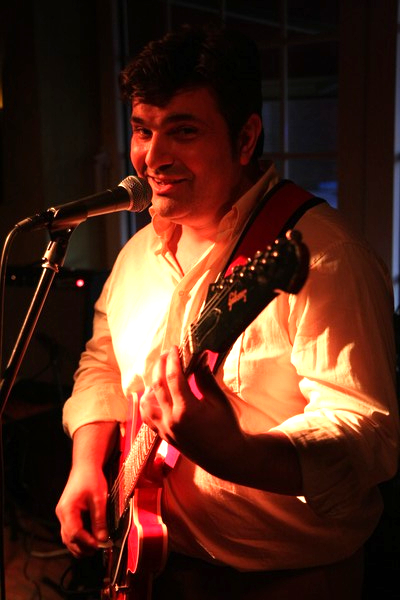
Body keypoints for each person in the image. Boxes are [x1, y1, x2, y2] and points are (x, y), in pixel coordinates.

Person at [55, 24, 399, 599]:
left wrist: (236, 453)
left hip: (286, 580)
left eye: (183, 131)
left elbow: (365, 437)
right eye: (142, 129)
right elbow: (104, 362)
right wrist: (86, 463)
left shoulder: (327, 255)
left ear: (245, 139)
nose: (152, 157)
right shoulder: (136, 253)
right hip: (157, 563)